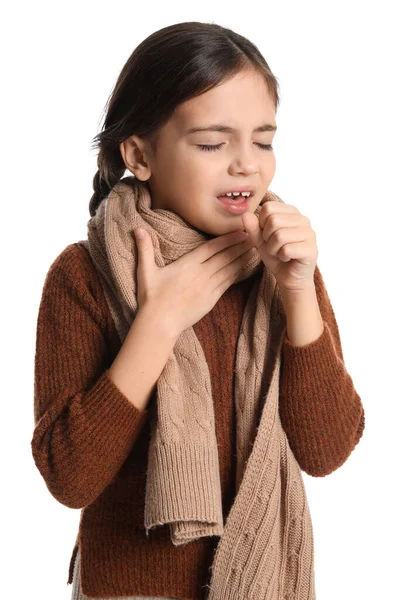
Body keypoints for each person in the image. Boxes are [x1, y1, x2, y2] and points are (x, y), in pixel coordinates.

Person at [30, 21, 365, 600]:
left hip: (264, 580)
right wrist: (158, 322)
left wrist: (300, 291)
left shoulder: (280, 266)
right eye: (213, 143)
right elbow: (70, 476)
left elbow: (327, 450)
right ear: (139, 153)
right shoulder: (83, 276)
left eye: (263, 140)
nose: (246, 165)